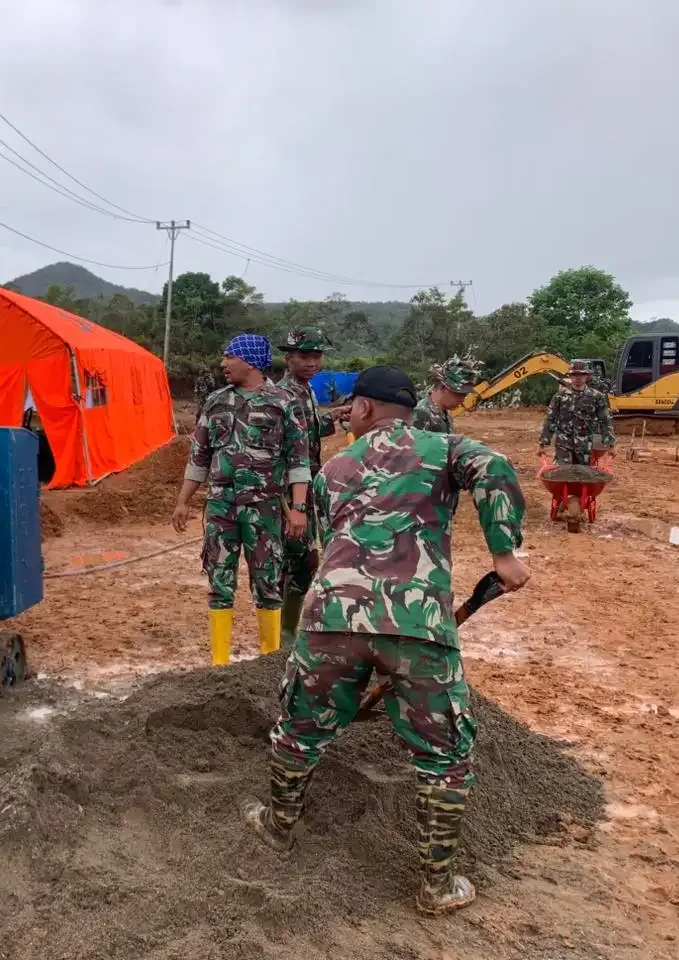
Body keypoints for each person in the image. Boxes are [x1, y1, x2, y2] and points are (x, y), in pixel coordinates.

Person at [239, 365, 529, 917]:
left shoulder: (333, 467)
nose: (345, 415)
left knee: (300, 729)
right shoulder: (444, 448)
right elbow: (493, 466)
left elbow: (329, 536)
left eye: (350, 407)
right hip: (415, 626)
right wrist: (503, 552)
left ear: (367, 409)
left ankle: (277, 828)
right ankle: (436, 886)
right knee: (445, 756)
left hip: (331, 621)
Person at [171, 334, 309, 665]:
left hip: (264, 509)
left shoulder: (284, 403)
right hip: (221, 508)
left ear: (248, 361)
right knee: (219, 582)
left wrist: (299, 510)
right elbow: (199, 457)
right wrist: (182, 501)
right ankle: (219, 663)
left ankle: (269, 661)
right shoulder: (216, 402)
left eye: (228, 357)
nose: (223, 363)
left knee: (267, 582)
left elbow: (298, 461)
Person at [274, 327, 351, 647]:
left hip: (306, 485)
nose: (312, 363)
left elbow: (309, 430)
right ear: (288, 357)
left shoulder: (305, 391)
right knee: (298, 561)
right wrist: (296, 505)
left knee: (302, 561)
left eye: (317, 356)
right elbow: (290, 447)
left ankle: (288, 630)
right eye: (304, 356)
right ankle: (283, 635)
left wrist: (333, 416)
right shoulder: (282, 395)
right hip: (289, 489)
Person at [539, 360, 616, 464]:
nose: (578, 377)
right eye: (574, 374)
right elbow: (550, 419)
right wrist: (542, 444)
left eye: (581, 374)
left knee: (584, 475)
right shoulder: (560, 396)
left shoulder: (596, 397)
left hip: (585, 446)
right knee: (563, 473)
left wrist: (611, 446)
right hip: (563, 445)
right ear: (570, 376)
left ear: (587, 376)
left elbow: (605, 421)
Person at [413, 352, 483, 433]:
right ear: (442, 387)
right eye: (458, 394)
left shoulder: (445, 415)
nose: (462, 399)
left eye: (465, 395)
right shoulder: (420, 415)